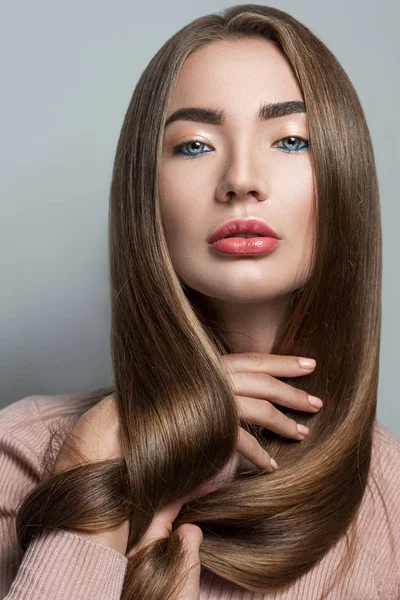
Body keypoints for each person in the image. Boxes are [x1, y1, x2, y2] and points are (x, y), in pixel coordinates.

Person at [1, 4, 399, 599]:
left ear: (345, 179)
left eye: (291, 140)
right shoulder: (23, 456)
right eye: (194, 146)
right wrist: (101, 451)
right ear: (147, 195)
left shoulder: (390, 499)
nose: (241, 178)